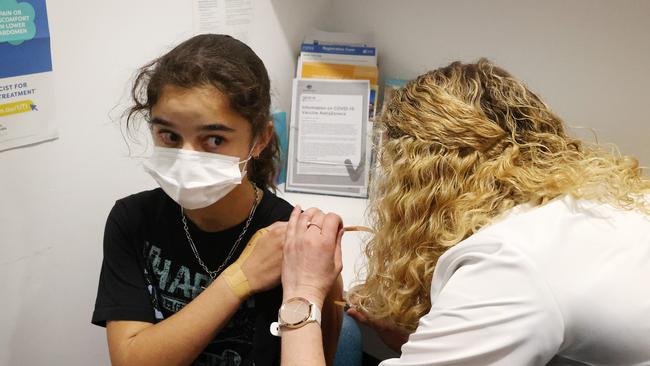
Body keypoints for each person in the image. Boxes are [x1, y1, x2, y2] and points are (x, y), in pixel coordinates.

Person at [278, 59, 650, 365]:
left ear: (419, 182)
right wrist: (432, 335)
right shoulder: (589, 204)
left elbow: (514, 291)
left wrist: (302, 292)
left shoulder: (510, 262)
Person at [91, 34, 342, 366]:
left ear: (260, 139)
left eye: (213, 139)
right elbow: (131, 360)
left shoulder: (295, 242)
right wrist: (241, 278)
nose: (185, 158)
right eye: (169, 135)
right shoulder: (132, 219)